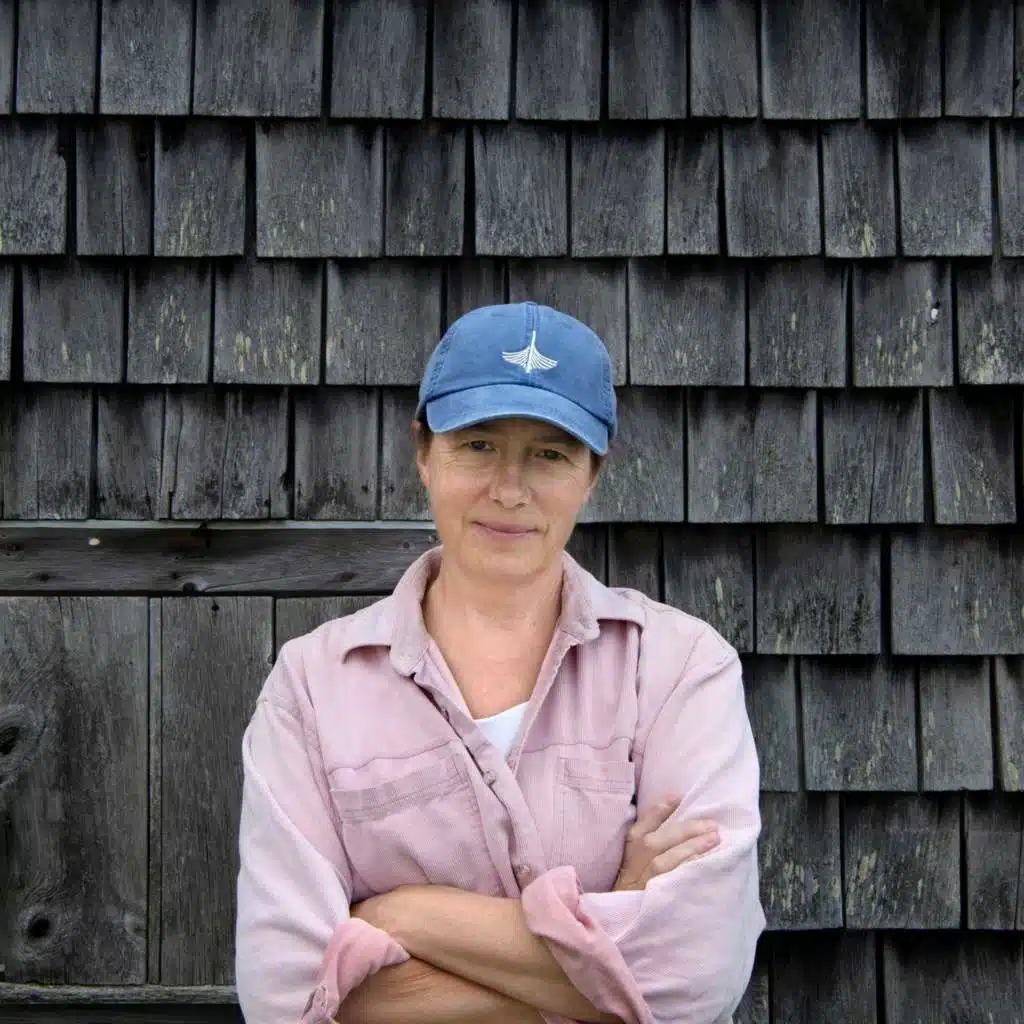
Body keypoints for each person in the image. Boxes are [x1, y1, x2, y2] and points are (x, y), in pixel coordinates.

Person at [234, 301, 766, 1024]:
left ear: (593, 474)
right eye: (479, 445)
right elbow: (287, 998)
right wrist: (606, 953)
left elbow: (696, 976)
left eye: (550, 454)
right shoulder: (312, 688)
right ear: (424, 452)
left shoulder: (678, 669)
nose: (510, 489)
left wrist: (405, 916)